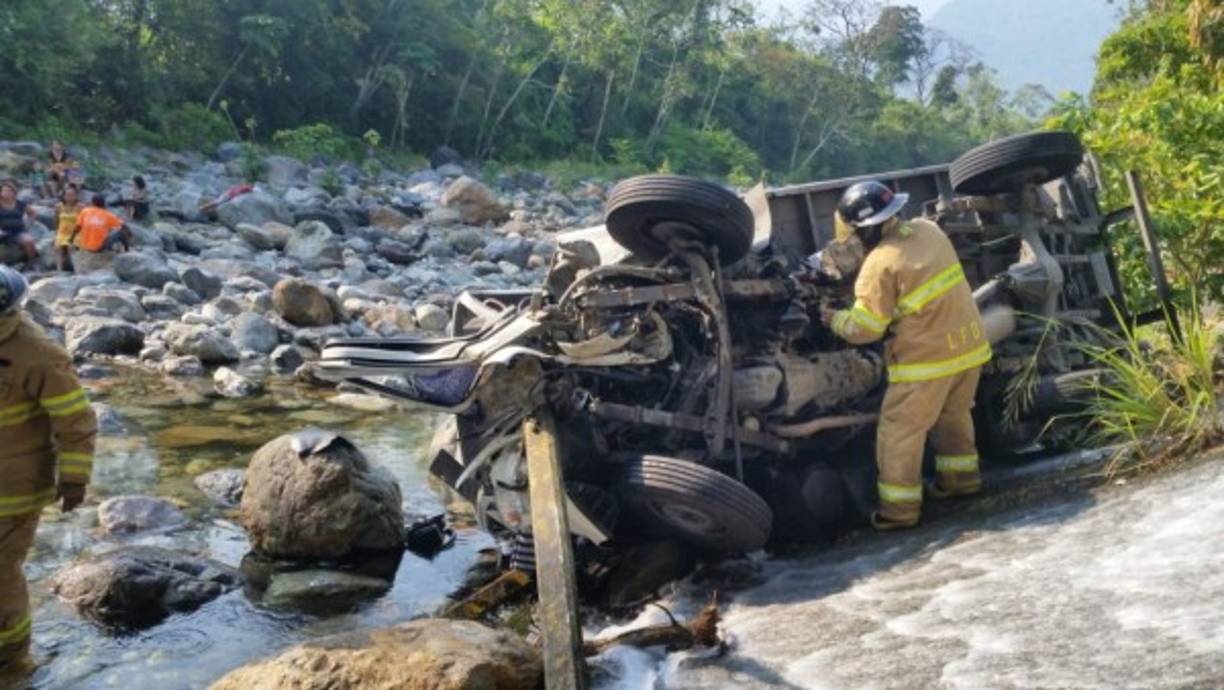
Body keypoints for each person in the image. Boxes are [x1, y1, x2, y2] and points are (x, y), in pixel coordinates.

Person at [821, 180, 991, 531]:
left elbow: (865, 329)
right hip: (969, 347)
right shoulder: (929, 231)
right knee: (954, 415)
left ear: (864, 230)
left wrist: (832, 317)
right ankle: (961, 482)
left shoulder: (879, 264)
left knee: (899, 432)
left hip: (927, 364)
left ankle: (899, 512)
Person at [0, 265, 96, 677]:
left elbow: (76, 421)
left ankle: (12, 657)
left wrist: (74, 481)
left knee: (0, 573)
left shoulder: (37, 353)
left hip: (14, 490)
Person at [0, 181, 38, 268]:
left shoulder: (20, 203)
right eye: (4, 191)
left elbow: (33, 213)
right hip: (3, 230)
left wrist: (28, 224)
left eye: (9, 191)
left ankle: (31, 263)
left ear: (14, 193)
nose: (7, 193)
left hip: (18, 231)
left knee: (29, 241)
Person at [52, 185, 84, 272]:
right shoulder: (58, 207)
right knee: (57, 247)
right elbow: (56, 221)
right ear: (64, 196)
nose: (70, 197)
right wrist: (55, 233)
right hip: (62, 232)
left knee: (71, 247)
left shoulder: (80, 207)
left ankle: (77, 269)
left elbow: (84, 222)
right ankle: (59, 270)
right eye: (68, 195)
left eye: (72, 195)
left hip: (76, 232)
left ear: (76, 196)